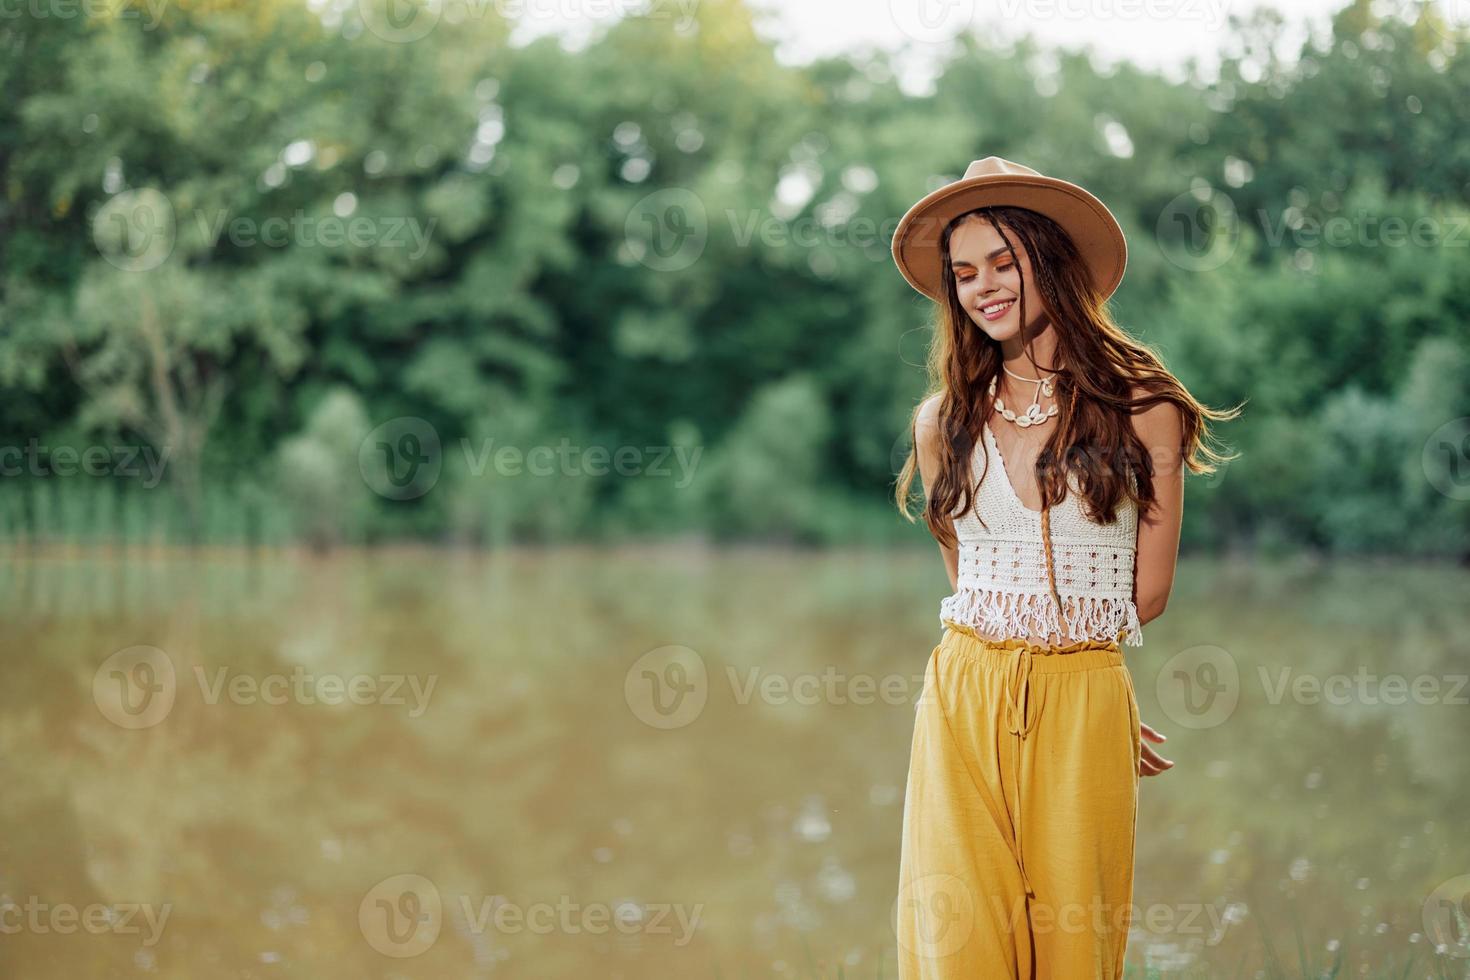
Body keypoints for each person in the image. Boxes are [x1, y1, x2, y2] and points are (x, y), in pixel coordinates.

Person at [889, 157, 1241, 979]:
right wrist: (1007, 669)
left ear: (1052, 261)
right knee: (960, 943)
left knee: (1075, 949)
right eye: (965, 273)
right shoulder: (942, 421)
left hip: (1084, 696)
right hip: (961, 695)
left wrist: (1085, 694)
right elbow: (967, 572)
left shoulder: (1143, 406)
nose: (983, 287)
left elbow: (1146, 593)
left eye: (1003, 262)